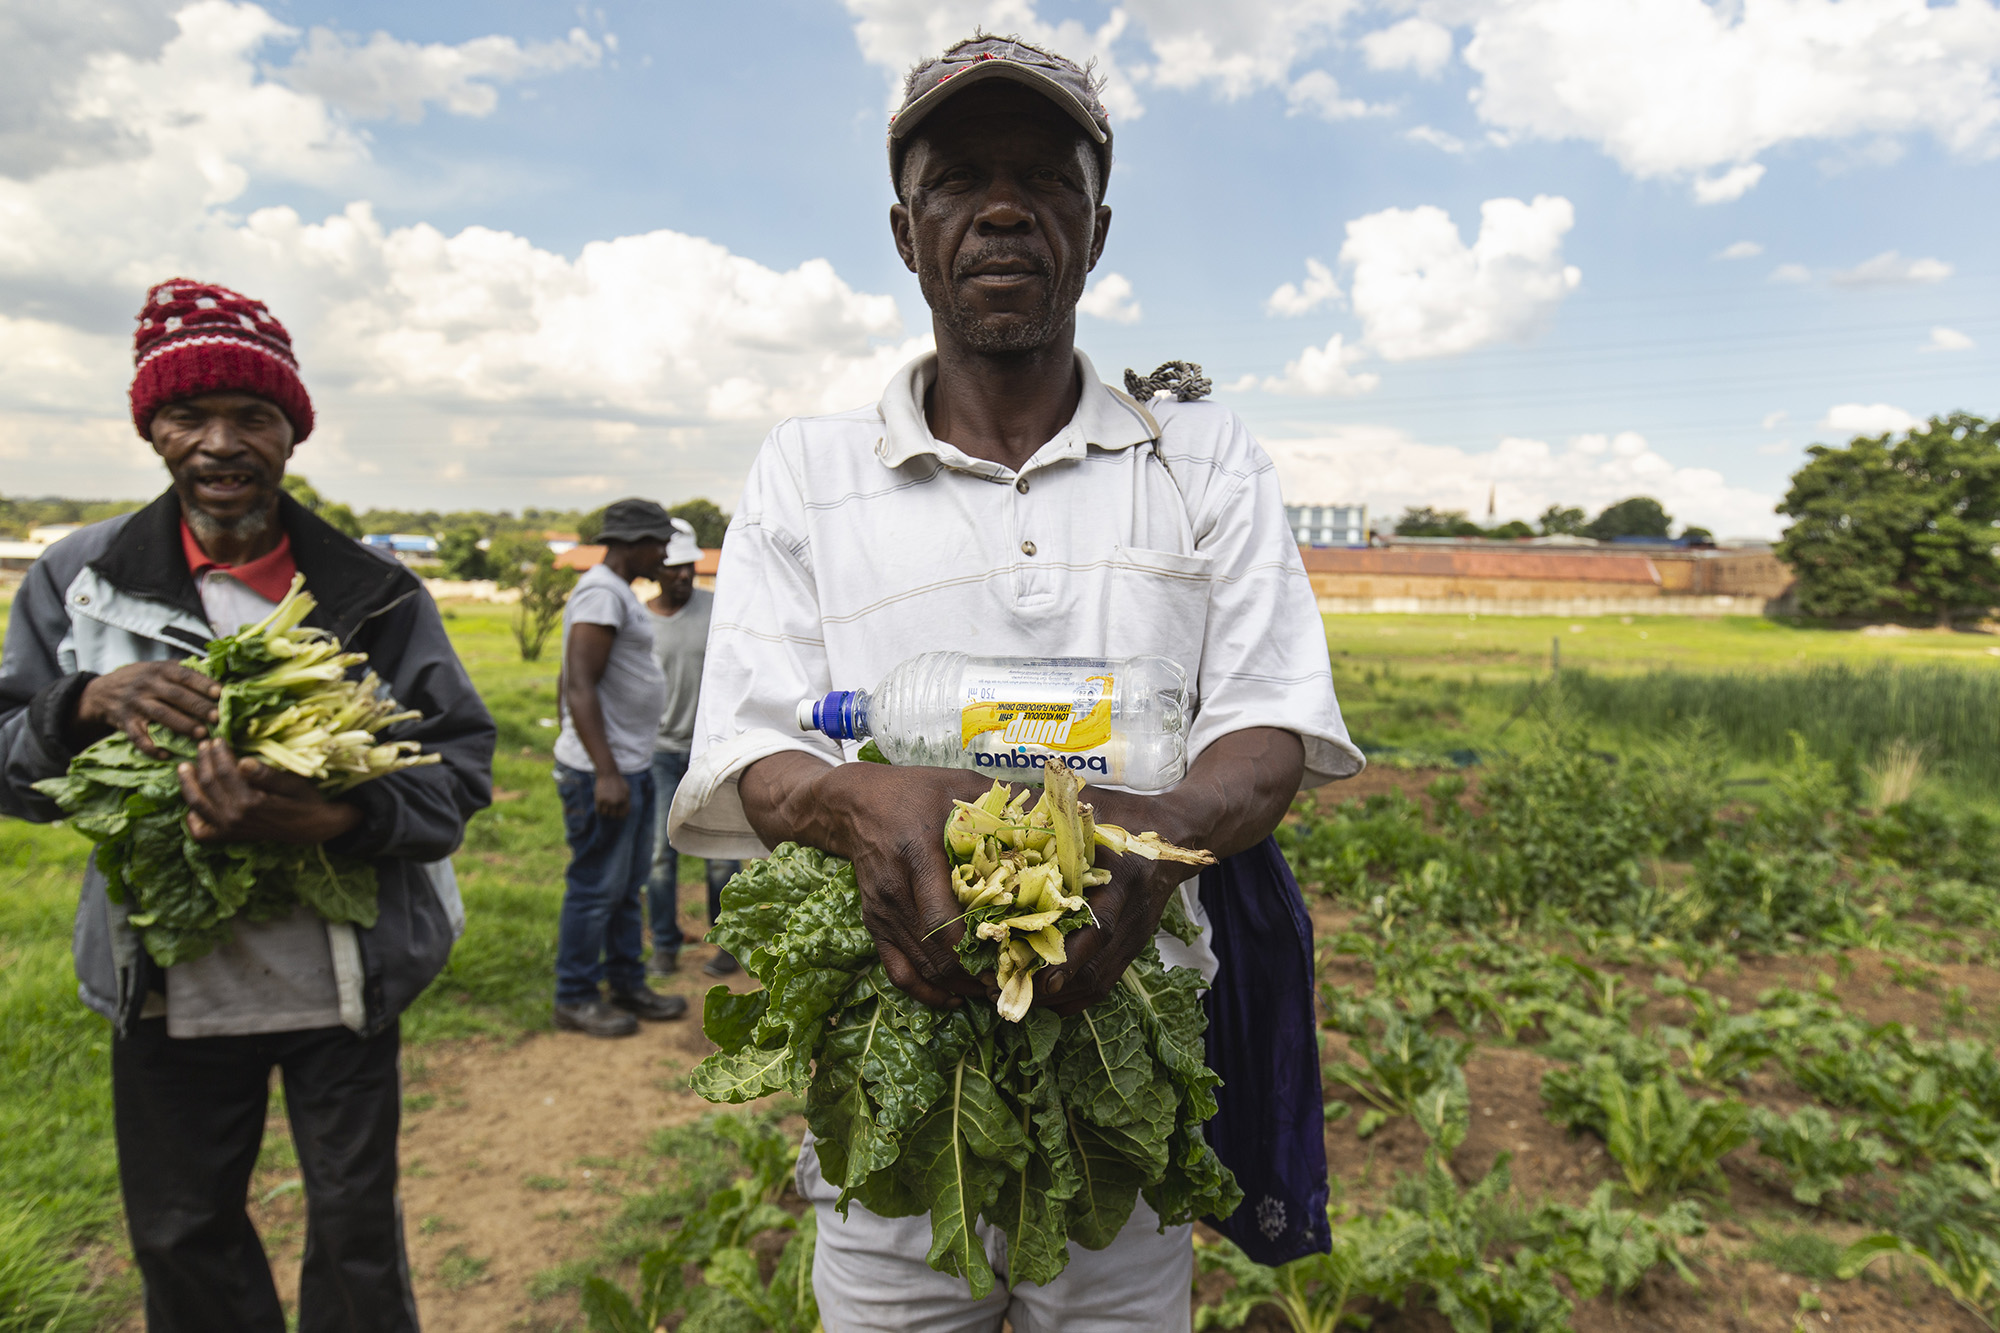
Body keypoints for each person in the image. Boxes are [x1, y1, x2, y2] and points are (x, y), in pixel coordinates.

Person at [667, 35, 1361, 1330]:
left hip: (1131, 1061)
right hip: (894, 1086)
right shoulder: (811, 471)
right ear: (904, 229)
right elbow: (754, 751)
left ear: (1095, 228)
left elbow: (1269, 726)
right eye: (958, 180)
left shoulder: (1198, 457)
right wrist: (855, 808)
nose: (1001, 207)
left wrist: (1156, 839)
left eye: (1044, 180)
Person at [0, 278, 497, 1331]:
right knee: (183, 1238)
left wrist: (338, 820)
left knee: (356, 1237)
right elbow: (12, 769)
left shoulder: (373, 590)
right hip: (165, 989)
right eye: (188, 414)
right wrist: (81, 703)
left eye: (253, 415)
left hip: (344, 990)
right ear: (151, 428)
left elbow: (459, 770)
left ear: (292, 432)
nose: (220, 442)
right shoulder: (78, 582)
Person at [551, 498, 691, 1037]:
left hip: (629, 765)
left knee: (626, 883)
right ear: (634, 542)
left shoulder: (617, 594)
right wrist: (605, 771)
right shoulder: (600, 593)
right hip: (600, 773)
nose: (663, 554)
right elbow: (579, 683)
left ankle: (628, 983)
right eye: (657, 543)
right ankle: (576, 995)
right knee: (595, 886)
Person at [643, 516, 742, 978]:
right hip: (660, 752)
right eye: (673, 567)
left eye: (689, 567)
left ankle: (727, 943)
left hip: (710, 750)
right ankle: (664, 943)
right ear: (656, 569)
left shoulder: (717, 610)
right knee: (660, 856)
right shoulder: (640, 621)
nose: (683, 575)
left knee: (721, 852)